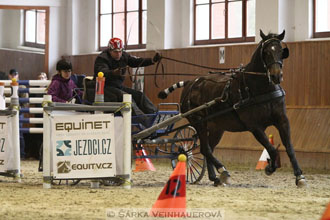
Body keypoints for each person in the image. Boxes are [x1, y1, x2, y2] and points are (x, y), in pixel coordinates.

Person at [93, 37, 161, 115]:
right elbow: (102, 71)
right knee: (127, 98)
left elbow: (136, 62)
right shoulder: (102, 58)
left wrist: (152, 61)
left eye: (120, 51)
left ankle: (156, 115)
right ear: (110, 50)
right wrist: (113, 73)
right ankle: (142, 118)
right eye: (115, 52)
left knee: (139, 95)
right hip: (105, 88)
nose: (118, 54)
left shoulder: (124, 56)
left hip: (118, 86)